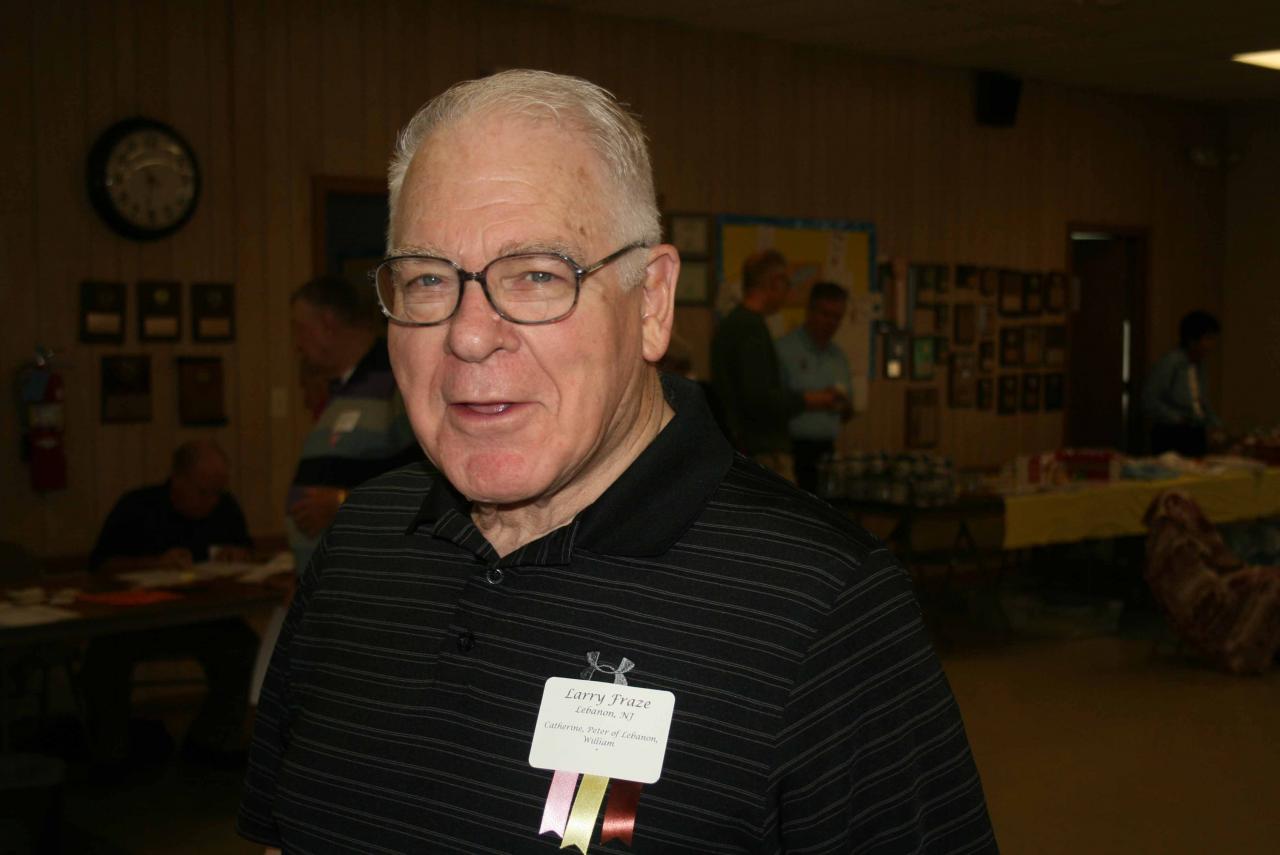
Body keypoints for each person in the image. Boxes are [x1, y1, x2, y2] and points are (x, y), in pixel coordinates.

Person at [240, 70, 994, 854]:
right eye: (428, 279)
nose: (468, 335)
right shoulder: (359, 541)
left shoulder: (826, 606)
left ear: (651, 302)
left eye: (537, 274)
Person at [82, 440, 259, 769]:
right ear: (178, 480)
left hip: (205, 619)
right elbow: (102, 566)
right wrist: (152, 564)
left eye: (218, 492)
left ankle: (211, 741)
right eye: (203, 492)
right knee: (104, 657)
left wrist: (239, 556)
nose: (212, 501)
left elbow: (247, 551)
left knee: (244, 648)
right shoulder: (138, 506)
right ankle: (111, 753)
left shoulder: (225, 508)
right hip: (138, 623)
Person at [286, 274, 423, 571]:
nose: (296, 343)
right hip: (325, 574)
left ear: (327, 323)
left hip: (372, 572)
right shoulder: (345, 386)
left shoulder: (395, 378)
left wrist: (341, 500)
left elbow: (422, 477)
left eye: (299, 328)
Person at [711, 250, 845, 482]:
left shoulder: (735, 324)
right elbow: (759, 399)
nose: (787, 292)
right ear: (774, 283)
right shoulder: (749, 328)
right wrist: (810, 399)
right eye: (786, 284)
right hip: (761, 451)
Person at [776, 281, 855, 493]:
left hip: (827, 452)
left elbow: (848, 409)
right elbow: (772, 403)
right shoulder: (783, 350)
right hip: (791, 452)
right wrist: (817, 399)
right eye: (825, 314)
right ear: (810, 311)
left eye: (837, 317)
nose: (831, 323)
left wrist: (841, 403)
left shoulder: (839, 358)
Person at [1142, 310, 1222, 457]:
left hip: (1195, 431)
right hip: (1172, 433)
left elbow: (1201, 402)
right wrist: (1177, 418)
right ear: (1192, 340)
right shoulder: (1171, 363)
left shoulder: (1199, 366)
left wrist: (1214, 424)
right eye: (1208, 338)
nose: (1211, 345)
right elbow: (1150, 400)